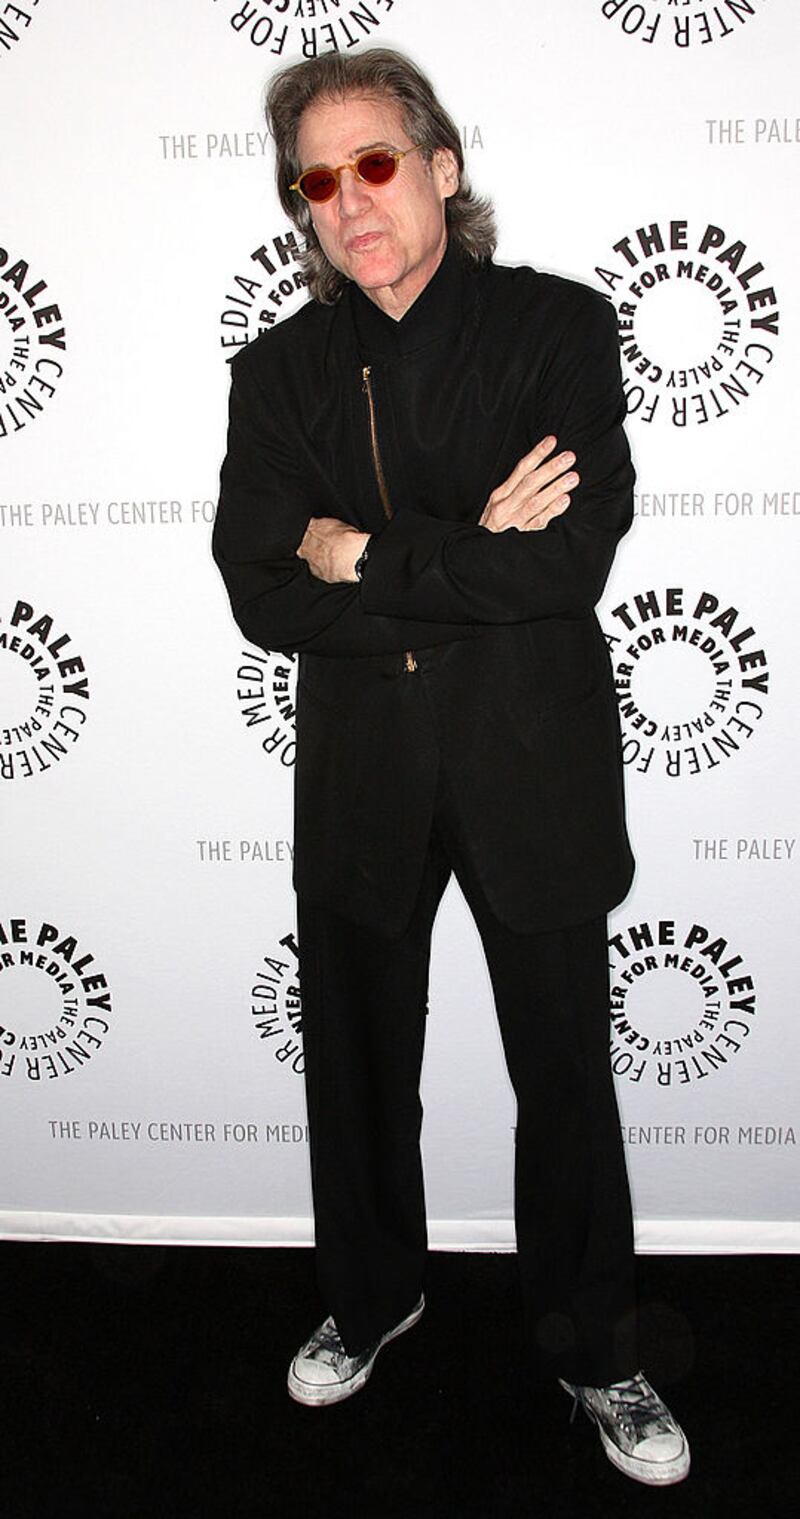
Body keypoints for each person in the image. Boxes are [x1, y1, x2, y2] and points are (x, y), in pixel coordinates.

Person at [213, 47, 690, 1488]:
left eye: (373, 163)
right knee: (357, 1072)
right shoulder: (280, 370)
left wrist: (364, 550)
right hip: (360, 766)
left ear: (441, 167)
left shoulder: (558, 328)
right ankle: (370, 1300)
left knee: (564, 1073)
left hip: (527, 756)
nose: (348, 202)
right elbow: (261, 588)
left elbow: (562, 565)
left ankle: (597, 1347)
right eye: (317, 178)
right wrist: (460, 552)